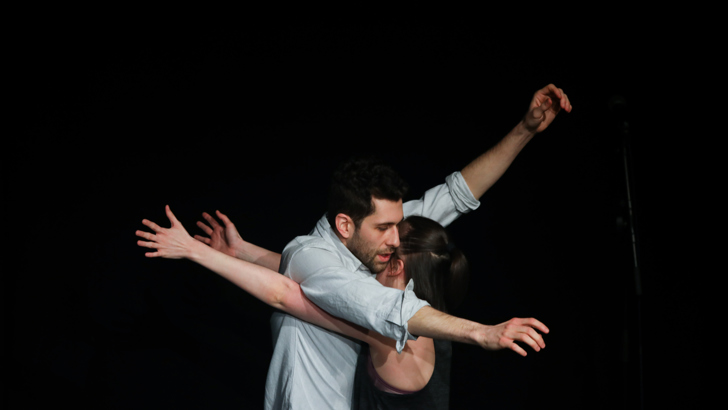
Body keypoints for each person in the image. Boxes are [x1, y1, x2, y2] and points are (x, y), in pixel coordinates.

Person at [142, 84, 571, 409]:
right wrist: (483, 332)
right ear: (345, 224)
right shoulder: (311, 255)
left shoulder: (378, 243)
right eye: (385, 227)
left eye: (399, 225)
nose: (396, 239)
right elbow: (298, 289)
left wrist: (524, 130)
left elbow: (455, 194)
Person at [137, 210, 537, 409]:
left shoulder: (385, 330)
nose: (380, 244)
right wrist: (242, 249)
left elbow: (287, 294)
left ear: (396, 266)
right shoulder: (423, 322)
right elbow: (323, 283)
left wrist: (192, 251)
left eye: (388, 242)